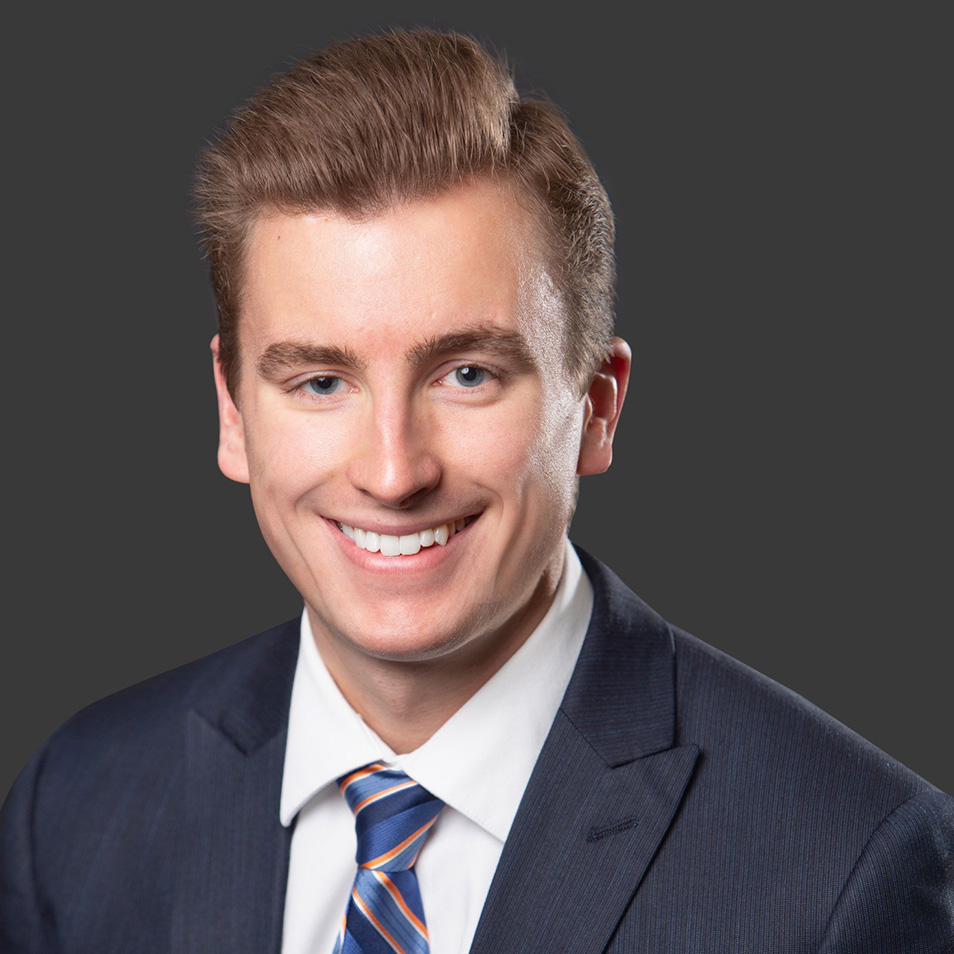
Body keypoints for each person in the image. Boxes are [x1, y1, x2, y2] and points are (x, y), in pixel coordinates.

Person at [1, 28, 951, 954]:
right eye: (321, 382)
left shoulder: (849, 866)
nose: (392, 473)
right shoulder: (76, 807)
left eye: (467, 375)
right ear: (233, 411)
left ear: (597, 406)